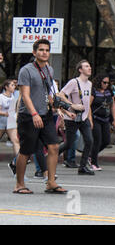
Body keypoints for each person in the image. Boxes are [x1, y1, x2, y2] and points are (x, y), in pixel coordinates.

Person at [14, 39, 70, 194]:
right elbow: (25, 95)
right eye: (41, 50)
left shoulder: (49, 70)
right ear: (34, 52)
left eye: (47, 50)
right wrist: (34, 114)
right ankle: (19, 184)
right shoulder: (26, 70)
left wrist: (64, 110)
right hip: (29, 116)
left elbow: (50, 94)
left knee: (54, 146)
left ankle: (51, 182)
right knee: (26, 151)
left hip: (45, 115)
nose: (44, 52)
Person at [58, 59, 95, 175]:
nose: (89, 68)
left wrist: (89, 117)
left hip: (84, 118)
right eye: (86, 66)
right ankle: (51, 155)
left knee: (89, 141)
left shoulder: (89, 84)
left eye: (89, 66)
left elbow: (87, 102)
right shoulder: (73, 82)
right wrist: (72, 105)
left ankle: (83, 167)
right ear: (80, 70)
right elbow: (60, 95)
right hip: (72, 118)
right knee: (69, 143)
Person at [90, 74, 115, 171]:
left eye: (108, 83)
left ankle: (90, 156)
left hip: (106, 119)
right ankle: (94, 162)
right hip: (95, 118)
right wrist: (90, 119)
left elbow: (112, 106)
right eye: (104, 82)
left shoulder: (109, 92)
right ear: (99, 82)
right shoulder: (94, 91)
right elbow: (88, 106)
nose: (106, 84)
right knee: (97, 140)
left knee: (106, 141)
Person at [1, 80, 20, 175]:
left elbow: (15, 109)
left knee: (15, 140)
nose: (14, 87)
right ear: (6, 87)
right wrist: (5, 113)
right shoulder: (1, 97)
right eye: (12, 85)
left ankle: (18, 160)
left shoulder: (14, 97)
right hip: (1, 121)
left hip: (10, 122)